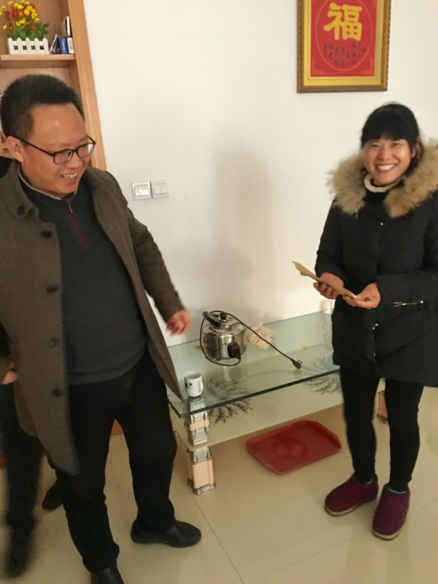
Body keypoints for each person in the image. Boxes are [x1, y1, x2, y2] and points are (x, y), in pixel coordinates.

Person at [0, 74, 201, 584]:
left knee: (157, 451)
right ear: (14, 147)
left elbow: (140, 243)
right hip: (66, 386)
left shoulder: (102, 186)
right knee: (82, 485)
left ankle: (154, 521)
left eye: (82, 146)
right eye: (59, 152)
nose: (75, 162)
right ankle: (102, 564)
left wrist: (168, 301)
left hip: (136, 362)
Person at [314, 103, 438, 540]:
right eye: (374, 144)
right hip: (355, 328)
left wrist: (387, 288)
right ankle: (364, 479)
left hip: (411, 331)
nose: (384, 155)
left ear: (414, 149)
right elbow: (328, 254)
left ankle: (398, 489)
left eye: (395, 144)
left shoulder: (431, 201)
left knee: (402, 418)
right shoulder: (347, 199)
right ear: (363, 149)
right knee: (356, 414)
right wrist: (329, 276)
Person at [0, 158, 62, 579]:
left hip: (44, 336)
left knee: (59, 421)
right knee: (18, 440)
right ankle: (20, 526)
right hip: (8, 351)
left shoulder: (19, 173)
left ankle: (63, 480)